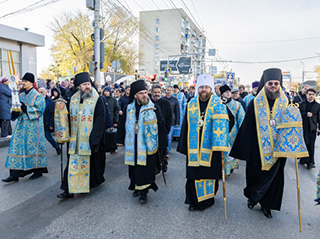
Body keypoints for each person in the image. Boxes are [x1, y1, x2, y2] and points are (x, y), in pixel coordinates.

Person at [230, 68, 294, 218]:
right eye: (270, 83)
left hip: (278, 150)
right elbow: (247, 128)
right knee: (255, 175)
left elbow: (292, 126)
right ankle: (253, 197)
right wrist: (245, 149)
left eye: (276, 83)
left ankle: (268, 205)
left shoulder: (286, 103)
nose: (273, 86)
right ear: (265, 84)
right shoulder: (255, 103)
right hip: (257, 149)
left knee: (274, 179)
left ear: (280, 84)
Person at [177, 74, 230, 211]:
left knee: (209, 174)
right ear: (197, 89)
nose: (204, 90)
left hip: (211, 148)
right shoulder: (191, 104)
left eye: (207, 87)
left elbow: (230, 122)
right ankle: (193, 200)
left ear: (211, 89)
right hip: (194, 147)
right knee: (193, 174)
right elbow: (185, 126)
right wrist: (184, 146)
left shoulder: (219, 105)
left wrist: (221, 139)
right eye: (201, 87)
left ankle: (207, 200)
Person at [57, 72, 106, 198]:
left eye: (88, 84)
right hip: (74, 141)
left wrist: (95, 139)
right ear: (79, 86)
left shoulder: (97, 99)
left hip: (89, 140)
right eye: (84, 85)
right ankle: (67, 189)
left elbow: (101, 120)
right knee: (71, 164)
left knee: (89, 166)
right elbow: (66, 118)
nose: (87, 87)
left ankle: (86, 185)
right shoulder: (73, 99)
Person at [116, 79, 165, 204]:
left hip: (147, 144)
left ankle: (144, 192)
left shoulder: (153, 108)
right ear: (135, 95)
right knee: (133, 167)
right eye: (141, 93)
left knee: (146, 168)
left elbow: (161, 125)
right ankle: (136, 186)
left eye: (145, 92)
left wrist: (162, 144)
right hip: (133, 143)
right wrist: (119, 139)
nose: (145, 95)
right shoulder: (128, 108)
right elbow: (122, 124)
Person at [3, 72, 48, 182]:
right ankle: (14, 174)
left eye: (25, 81)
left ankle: (37, 171)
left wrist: (26, 109)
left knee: (33, 149)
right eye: (22, 81)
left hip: (34, 127)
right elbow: (16, 109)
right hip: (21, 126)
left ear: (32, 83)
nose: (23, 83)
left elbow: (40, 109)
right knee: (16, 147)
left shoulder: (38, 96)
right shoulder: (20, 95)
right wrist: (15, 111)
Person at [220, 85, 245, 175]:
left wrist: (242, 132)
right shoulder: (218, 103)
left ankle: (229, 169)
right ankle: (221, 170)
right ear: (222, 94)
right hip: (221, 131)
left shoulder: (237, 104)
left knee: (231, 152)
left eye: (229, 91)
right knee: (221, 152)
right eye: (225, 92)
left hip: (233, 132)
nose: (228, 93)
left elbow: (241, 119)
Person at [150, 84, 172, 173]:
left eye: (158, 92)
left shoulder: (166, 103)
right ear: (151, 92)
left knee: (162, 151)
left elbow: (169, 118)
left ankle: (163, 164)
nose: (157, 94)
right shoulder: (148, 103)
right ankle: (155, 168)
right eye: (155, 92)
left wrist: (166, 130)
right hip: (151, 133)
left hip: (162, 132)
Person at [299, 88, 320, 169]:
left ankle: (310, 162)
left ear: (315, 95)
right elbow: (298, 114)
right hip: (303, 127)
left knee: (311, 144)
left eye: (313, 94)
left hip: (313, 127)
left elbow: (319, 117)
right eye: (309, 94)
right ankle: (303, 159)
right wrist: (305, 114)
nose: (311, 96)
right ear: (306, 95)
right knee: (305, 144)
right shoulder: (301, 104)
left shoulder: (318, 105)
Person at [39, 87, 61, 155]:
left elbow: (52, 114)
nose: (40, 94)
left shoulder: (49, 101)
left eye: (42, 92)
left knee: (48, 137)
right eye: (39, 92)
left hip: (47, 123)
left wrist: (51, 125)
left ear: (45, 92)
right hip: (39, 123)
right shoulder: (36, 100)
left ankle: (57, 147)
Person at [162, 85, 180, 155]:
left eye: (170, 90)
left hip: (171, 121)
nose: (168, 91)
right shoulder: (162, 99)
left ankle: (167, 149)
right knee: (164, 135)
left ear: (172, 91)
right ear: (165, 91)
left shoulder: (175, 100)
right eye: (167, 90)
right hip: (163, 120)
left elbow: (177, 111)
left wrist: (177, 121)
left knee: (169, 136)